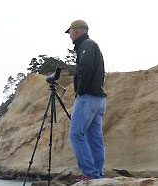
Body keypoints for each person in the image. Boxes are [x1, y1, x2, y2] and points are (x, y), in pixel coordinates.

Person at [65, 20, 107, 180]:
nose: (69, 36)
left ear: (75, 31)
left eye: (70, 33)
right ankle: (98, 174)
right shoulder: (91, 45)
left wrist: (79, 91)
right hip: (99, 98)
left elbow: (86, 68)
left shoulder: (87, 45)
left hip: (88, 97)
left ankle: (90, 174)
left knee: (76, 135)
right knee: (94, 138)